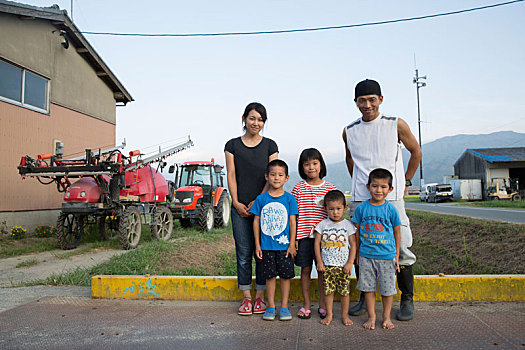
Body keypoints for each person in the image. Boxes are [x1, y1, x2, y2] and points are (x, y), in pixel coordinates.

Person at [343, 79, 422, 321]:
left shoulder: (395, 124)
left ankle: (406, 299)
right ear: (355, 102)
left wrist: (405, 181)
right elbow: (349, 159)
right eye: (362, 101)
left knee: (401, 247)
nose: (367, 105)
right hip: (360, 199)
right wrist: (360, 186)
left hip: (392, 199)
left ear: (381, 99)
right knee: (359, 248)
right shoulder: (349, 130)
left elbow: (416, 151)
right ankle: (362, 297)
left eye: (371, 100)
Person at [224, 102, 278, 316]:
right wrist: (236, 202)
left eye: (260, 119)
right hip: (240, 207)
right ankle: (246, 297)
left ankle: (260, 298)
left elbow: (272, 175)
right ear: (244, 118)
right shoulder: (232, 145)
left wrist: (258, 201)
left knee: (262, 253)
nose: (256, 123)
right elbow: (231, 175)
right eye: (252, 118)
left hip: (264, 207)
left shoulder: (270, 146)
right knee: (244, 252)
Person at [352, 168, 401, 330]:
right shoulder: (361, 209)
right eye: (374, 186)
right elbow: (356, 232)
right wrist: (357, 254)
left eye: (383, 187)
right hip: (366, 256)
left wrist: (397, 256)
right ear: (368, 187)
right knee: (368, 289)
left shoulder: (391, 209)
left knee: (387, 290)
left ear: (390, 189)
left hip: (387, 257)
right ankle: (371, 317)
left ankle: (386, 317)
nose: (378, 190)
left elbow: (396, 232)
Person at [291, 148, 337, 320]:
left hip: (324, 239)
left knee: (322, 271)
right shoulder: (298, 188)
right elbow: (293, 217)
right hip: (303, 237)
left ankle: (323, 304)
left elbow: (335, 215)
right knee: (305, 270)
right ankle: (306, 304)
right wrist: (294, 239)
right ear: (302, 167)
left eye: (315, 163)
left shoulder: (330, 188)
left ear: (321, 165)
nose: (311, 167)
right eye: (306, 164)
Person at [251, 159, 298, 321]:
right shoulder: (261, 199)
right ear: (266, 177)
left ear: (286, 178)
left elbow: (293, 222)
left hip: (285, 247)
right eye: (273, 175)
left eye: (280, 175)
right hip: (266, 247)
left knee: (285, 277)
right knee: (269, 277)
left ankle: (284, 307)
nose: (276, 178)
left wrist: (292, 244)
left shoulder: (290, 199)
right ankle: (270, 306)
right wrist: (257, 244)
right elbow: (256, 221)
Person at [313, 190, 356, 326]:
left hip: (344, 267)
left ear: (345, 207)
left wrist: (350, 262)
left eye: (338, 209)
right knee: (328, 292)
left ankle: (345, 316)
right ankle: (329, 314)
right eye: (331, 209)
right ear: (325, 208)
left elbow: (353, 245)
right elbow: (317, 244)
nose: (335, 212)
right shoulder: (322, 225)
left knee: (344, 292)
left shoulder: (348, 225)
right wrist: (319, 261)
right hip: (327, 266)